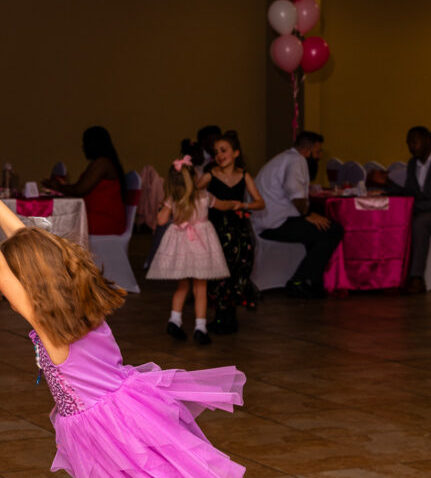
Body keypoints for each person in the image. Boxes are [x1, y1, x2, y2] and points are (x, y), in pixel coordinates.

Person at [0, 180, 295, 478]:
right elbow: (32, 241)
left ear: (26, 284)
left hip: (110, 428)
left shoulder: (47, 324)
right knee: (200, 467)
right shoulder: (81, 289)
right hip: (137, 401)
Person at [145, 156, 233, 345]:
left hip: (181, 247)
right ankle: (200, 328)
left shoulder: (172, 199)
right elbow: (223, 205)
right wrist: (236, 204)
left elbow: (160, 221)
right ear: (194, 177)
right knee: (200, 287)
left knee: (182, 286)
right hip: (201, 245)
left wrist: (163, 207)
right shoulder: (204, 196)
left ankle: (174, 320)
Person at [370, 126, 431, 293]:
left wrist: (413, 207)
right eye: (408, 143)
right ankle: (390, 273)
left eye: (415, 142)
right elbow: (410, 193)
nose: (411, 147)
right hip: (425, 212)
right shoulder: (413, 163)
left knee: (420, 222)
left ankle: (416, 278)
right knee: (396, 216)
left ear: (428, 141)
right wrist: (388, 187)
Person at [251, 131, 343, 298]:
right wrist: (308, 214)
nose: (319, 156)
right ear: (307, 151)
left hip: (265, 220)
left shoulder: (284, 158)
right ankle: (299, 280)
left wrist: (308, 216)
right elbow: (296, 194)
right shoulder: (297, 161)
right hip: (274, 224)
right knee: (333, 230)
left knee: (318, 230)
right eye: (317, 152)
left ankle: (312, 280)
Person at [198, 131, 265, 334]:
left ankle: (230, 316)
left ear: (235, 153)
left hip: (238, 231)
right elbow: (192, 193)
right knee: (218, 272)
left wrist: (243, 204)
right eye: (216, 152)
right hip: (217, 230)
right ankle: (220, 316)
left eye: (223, 150)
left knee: (237, 269)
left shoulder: (244, 175)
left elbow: (260, 202)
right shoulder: (210, 175)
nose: (219, 155)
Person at [42, 125, 126, 235]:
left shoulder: (103, 163)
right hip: (94, 216)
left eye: (85, 143)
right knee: (54, 221)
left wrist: (58, 186)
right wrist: (64, 186)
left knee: (56, 222)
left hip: (104, 220)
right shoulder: (101, 163)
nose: (83, 147)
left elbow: (80, 190)